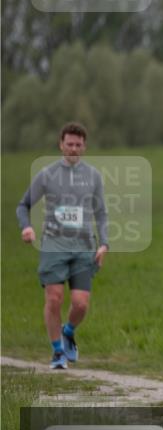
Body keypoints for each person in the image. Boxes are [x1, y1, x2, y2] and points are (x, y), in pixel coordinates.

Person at [16, 122, 109, 369]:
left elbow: (101, 213)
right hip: (54, 245)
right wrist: (26, 226)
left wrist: (104, 244)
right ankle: (57, 352)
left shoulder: (93, 176)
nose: (74, 149)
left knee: (80, 303)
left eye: (78, 145)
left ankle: (68, 332)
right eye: (70, 144)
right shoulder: (47, 175)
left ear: (84, 147)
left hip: (83, 246)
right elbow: (23, 205)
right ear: (61, 144)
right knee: (55, 298)